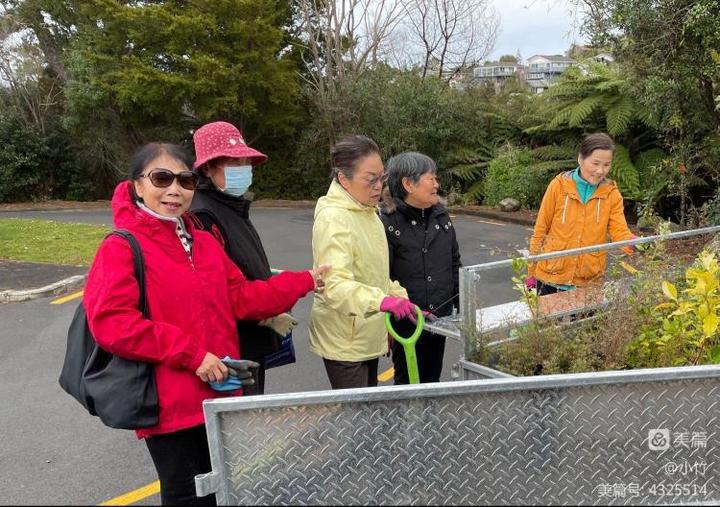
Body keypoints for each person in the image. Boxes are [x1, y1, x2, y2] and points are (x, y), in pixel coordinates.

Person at [83, 143, 329, 506]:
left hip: (220, 394)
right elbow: (113, 323)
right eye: (162, 178)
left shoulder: (203, 242)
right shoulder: (121, 247)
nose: (175, 189)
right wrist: (192, 355)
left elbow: (242, 298)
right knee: (187, 496)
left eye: (185, 180)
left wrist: (302, 281)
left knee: (223, 491)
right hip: (170, 405)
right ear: (138, 185)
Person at [190, 120, 293, 395]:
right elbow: (219, 287)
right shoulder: (202, 215)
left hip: (252, 334)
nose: (243, 169)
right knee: (240, 414)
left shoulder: (232, 205)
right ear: (208, 168)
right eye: (233, 163)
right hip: (232, 347)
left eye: (245, 162)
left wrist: (269, 283)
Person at [310, 134, 418, 389]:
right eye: (370, 180)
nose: (379, 186)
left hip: (366, 332)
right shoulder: (334, 218)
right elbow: (334, 285)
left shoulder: (367, 212)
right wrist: (382, 301)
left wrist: (401, 300)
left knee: (368, 409)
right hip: (344, 340)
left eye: (382, 177)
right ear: (343, 179)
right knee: (358, 413)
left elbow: (374, 274)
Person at [380, 152, 461, 384]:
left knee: (432, 379)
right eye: (431, 178)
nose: (436, 185)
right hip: (406, 320)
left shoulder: (441, 216)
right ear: (408, 184)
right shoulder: (387, 222)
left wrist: (460, 303)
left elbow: (454, 262)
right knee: (407, 384)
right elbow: (381, 276)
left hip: (439, 319)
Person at [527, 133, 636, 296]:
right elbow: (540, 229)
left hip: (588, 281)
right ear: (580, 159)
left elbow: (619, 231)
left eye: (606, 165)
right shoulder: (558, 186)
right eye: (595, 163)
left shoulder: (611, 194)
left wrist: (636, 244)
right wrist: (531, 272)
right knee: (546, 314)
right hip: (550, 277)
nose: (600, 171)